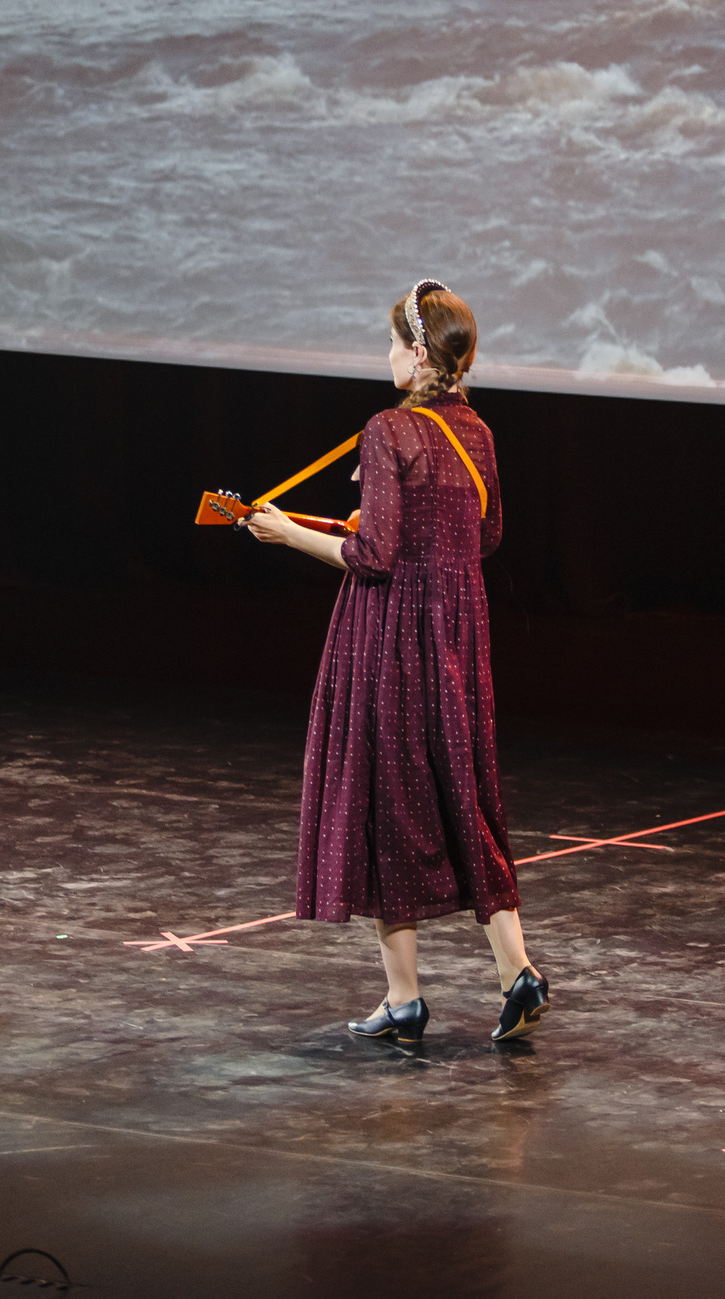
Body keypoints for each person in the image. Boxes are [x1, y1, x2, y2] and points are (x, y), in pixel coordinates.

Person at [244, 280, 547, 1048]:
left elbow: (373, 557)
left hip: (391, 635)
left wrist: (288, 534)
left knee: (388, 801)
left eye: (390, 344)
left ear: (417, 355)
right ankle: (515, 971)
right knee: (463, 796)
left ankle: (406, 996)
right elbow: (485, 536)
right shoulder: (478, 431)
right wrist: (402, 530)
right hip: (459, 634)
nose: (385, 357)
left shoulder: (387, 428)